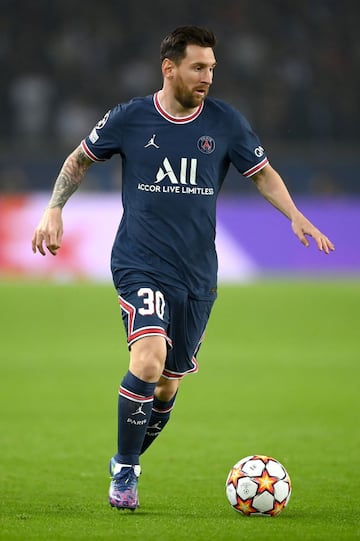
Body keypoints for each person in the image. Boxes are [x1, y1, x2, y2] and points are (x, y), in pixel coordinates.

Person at [32, 26, 335, 511]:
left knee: (168, 385)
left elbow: (263, 174)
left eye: (212, 68)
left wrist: (295, 214)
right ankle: (127, 475)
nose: (208, 77)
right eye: (198, 67)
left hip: (196, 275)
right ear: (169, 68)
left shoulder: (226, 123)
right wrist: (54, 208)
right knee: (147, 361)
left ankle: (123, 457)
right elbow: (79, 159)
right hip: (140, 264)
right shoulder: (130, 118)